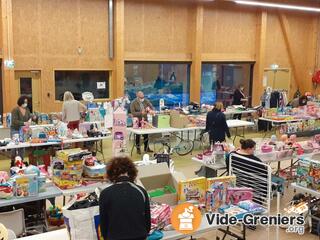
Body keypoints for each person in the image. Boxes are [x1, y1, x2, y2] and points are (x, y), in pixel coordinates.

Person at [99, 156, 151, 240]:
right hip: (139, 236)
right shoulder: (141, 191)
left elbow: (104, 224)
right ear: (132, 173)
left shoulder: (105, 193)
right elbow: (147, 222)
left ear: (111, 174)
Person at [228, 139, 268, 205]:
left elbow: (229, 168)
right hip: (252, 187)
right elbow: (265, 175)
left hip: (237, 182)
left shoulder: (232, 155)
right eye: (253, 149)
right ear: (249, 149)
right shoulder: (255, 160)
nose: (254, 151)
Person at [10, 96, 32, 164]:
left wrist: (31, 119)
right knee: (14, 146)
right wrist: (24, 123)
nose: (26, 103)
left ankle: (21, 161)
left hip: (23, 131)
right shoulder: (15, 110)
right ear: (20, 102)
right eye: (24, 102)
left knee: (22, 146)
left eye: (26, 102)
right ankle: (13, 161)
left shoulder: (27, 109)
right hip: (15, 129)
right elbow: (14, 121)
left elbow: (29, 116)